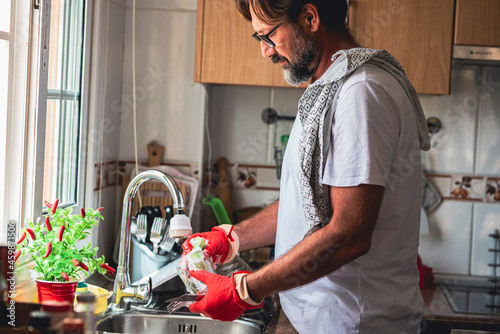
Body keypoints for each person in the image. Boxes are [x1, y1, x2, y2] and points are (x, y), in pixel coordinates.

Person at [181, 0, 431, 333]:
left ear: (310, 17)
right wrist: (233, 237)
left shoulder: (361, 92)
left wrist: (246, 289)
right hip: (313, 319)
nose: (266, 52)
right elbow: (309, 204)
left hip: (349, 324)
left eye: (268, 37)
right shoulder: (329, 88)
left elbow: (348, 235)